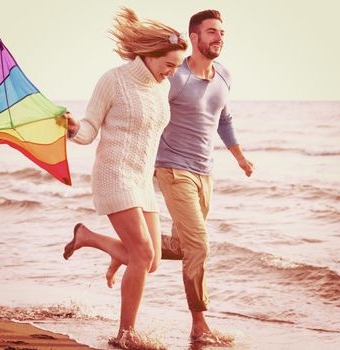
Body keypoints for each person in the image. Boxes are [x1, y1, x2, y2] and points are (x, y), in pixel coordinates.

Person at [105, 9, 254, 343]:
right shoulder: (176, 77)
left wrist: (240, 156)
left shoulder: (224, 75)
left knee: (185, 247)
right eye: (212, 32)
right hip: (172, 169)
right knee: (200, 244)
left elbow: (224, 118)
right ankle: (199, 324)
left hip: (205, 172)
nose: (219, 37)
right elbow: (147, 106)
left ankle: (120, 249)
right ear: (195, 37)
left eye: (222, 33)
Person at [60, 7, 187, 347]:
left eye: (176, 67)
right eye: (169, 65)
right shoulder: (113, 80)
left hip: (143, 181)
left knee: (152, 262)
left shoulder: (161, 88)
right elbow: (88, 132)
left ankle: (89, 237)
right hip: (113, 175)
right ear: (149, 54)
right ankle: (125, 334)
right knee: (142, 255)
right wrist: (73, 128)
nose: (172, 73)